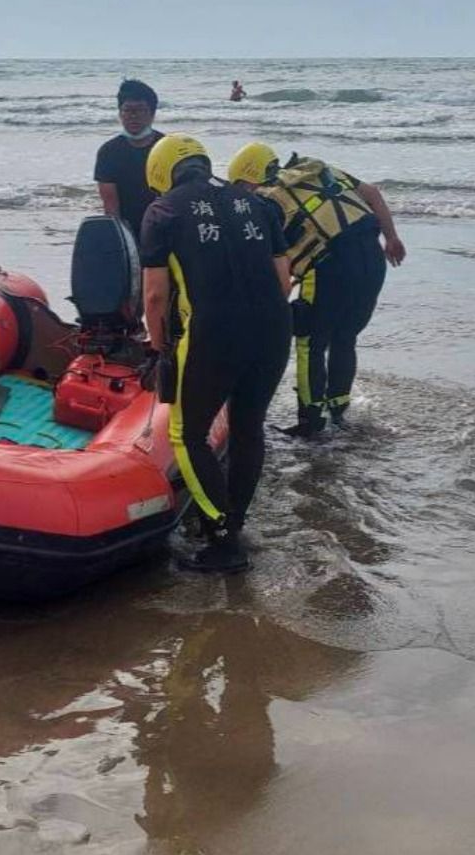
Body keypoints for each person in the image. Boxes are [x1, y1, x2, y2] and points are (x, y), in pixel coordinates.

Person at [140, 134, 291, 574]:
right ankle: (235, 521)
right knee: (248, 427)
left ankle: (223, 540)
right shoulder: (259, 204)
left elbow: (154, 295)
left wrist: (157, 346)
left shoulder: (162, 211)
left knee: (187, 435)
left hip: (213, 334)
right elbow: (283, 278)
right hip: (273, 329)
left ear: (161, 172)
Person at [228, 142, 406, 437]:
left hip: (329, 268)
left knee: (310, 342)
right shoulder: (318, 169)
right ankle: (338, 410)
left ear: (250, 176)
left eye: (241, 186)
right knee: (345, 337)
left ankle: (310, 420)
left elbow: (275, 256)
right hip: (373, 259)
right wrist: (392, 239)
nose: (243, 194)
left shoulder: (268, 199)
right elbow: (373, 193)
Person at [94, 78, 163, 237]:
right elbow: (110, 205)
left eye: (140, 110)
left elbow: (178, 196)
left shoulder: (166, 148)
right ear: (120, 113)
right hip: (128, 227)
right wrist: (120, 237)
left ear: (152, 113)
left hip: (164, 225)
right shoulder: (109, 152)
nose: (133, 116)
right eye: (127, 110)